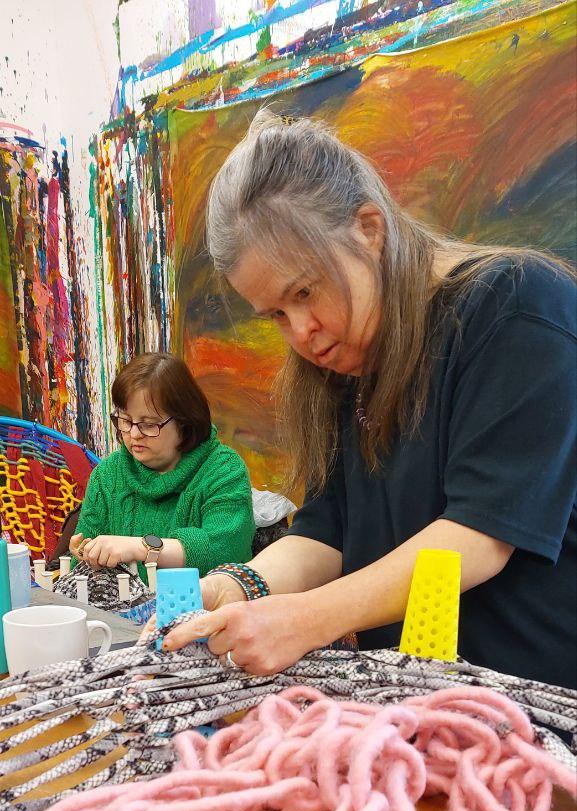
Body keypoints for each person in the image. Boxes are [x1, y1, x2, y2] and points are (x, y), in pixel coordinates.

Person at [158, 109, 577, 688]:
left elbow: (478, 537)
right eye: (276, 314)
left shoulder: (516, 307)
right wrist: (236, 588)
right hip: (405, 716)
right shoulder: (342, 363)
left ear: (368, 229)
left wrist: (303, 620)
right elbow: (325, 532)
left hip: (535, 714)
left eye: (305, 291)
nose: (300, 333)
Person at [70, 353, 255, 580]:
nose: (134, 434)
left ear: (185, 421)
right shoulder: (107, 475)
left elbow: (226, 550)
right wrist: (87, 555)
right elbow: (79, 573)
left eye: (148, 424)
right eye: (125, 420)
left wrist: (141, 548)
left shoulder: (223, 470)